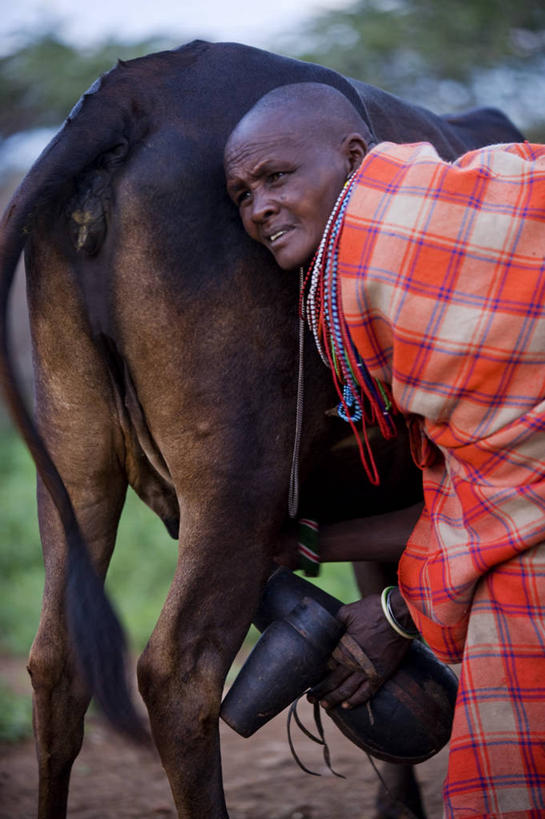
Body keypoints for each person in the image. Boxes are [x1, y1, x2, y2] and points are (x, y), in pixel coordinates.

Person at [224, 82, 545, 819]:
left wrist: (398, 612)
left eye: (276, 176)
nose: (259, 207)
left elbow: (513, 484)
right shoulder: (387, 267)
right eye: (242, 194)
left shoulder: (411, 258)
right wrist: (305, 544)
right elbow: (477, 484)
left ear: (353, 156)